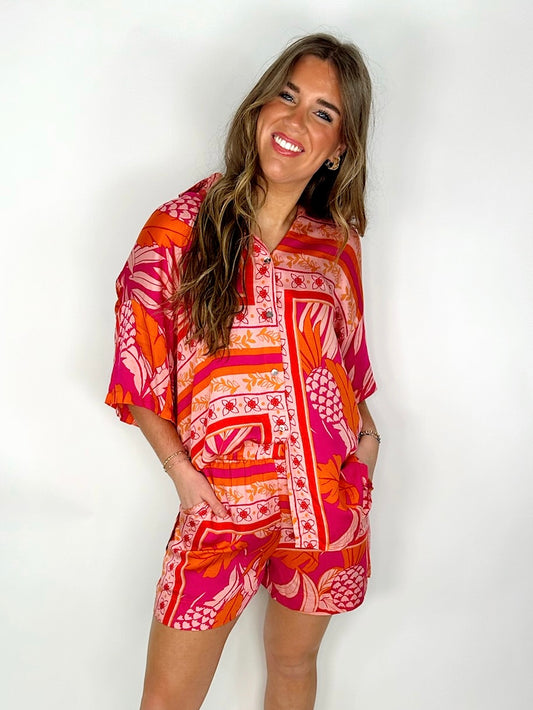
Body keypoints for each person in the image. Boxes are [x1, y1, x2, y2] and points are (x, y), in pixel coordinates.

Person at [105, 32, 380, 710]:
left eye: (322, 112)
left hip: (325, 507)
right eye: (287, 96)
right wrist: (181, 473)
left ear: (338, 147)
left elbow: (348, 363)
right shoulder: (178, 227)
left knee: (293, 667)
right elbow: (138, 367)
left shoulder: (335, 245)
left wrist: (368, 444)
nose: (295, 120)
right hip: (219, 510)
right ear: (260, 106)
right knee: (168, 700)